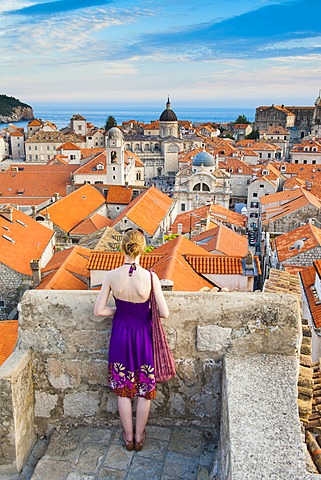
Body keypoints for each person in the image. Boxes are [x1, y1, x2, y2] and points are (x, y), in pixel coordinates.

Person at [94, 229, 169, 451]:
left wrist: (119, 311)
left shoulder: (111, 275)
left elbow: (98, 311)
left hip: (121, 334)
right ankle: (140, 436)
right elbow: (164, 313)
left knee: (123, 388)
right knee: (144, 389)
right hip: (143, 335)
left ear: (122, 247)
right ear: (143, 248)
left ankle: (128, 437)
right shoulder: (150, 277)